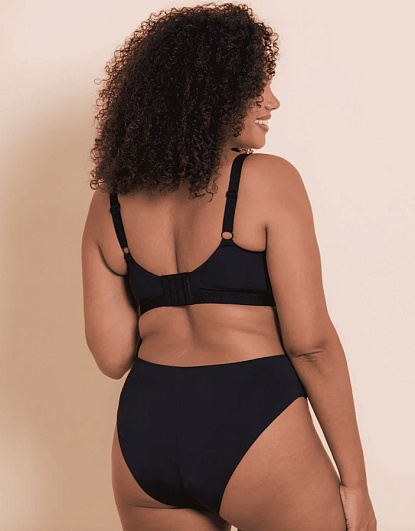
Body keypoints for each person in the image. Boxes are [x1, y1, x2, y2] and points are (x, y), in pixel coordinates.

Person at [82, 3, 377, 530]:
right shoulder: (267, 180)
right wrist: (354, 482)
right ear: (209, 94)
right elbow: (311, 343)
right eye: (256, 86)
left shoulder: (110, 202)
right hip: (253, 420)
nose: (272, 101)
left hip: (146, 435)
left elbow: (112, 355)